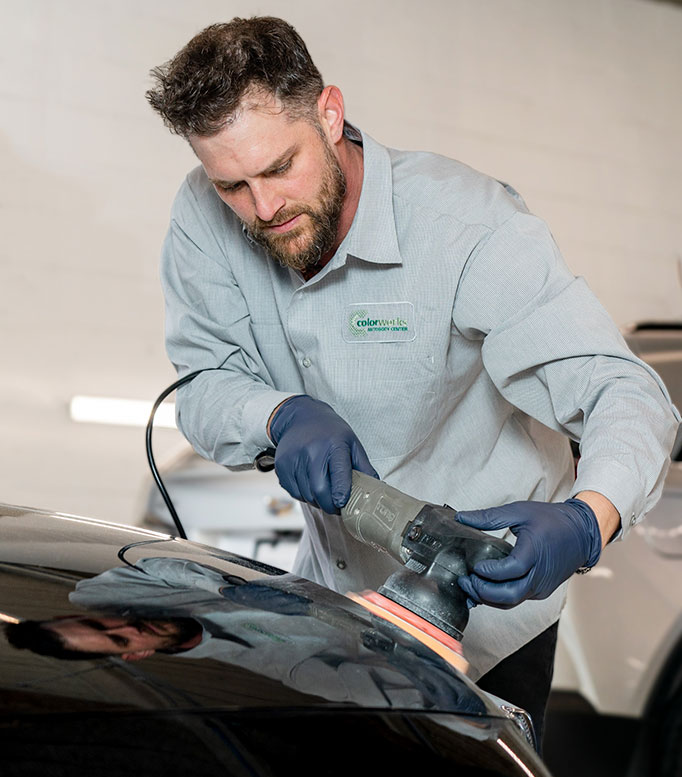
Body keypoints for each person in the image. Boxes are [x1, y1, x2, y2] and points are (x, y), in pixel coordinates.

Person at [145, 16, 679, 742]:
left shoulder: (468, 228)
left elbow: (625, 392)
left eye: (279, 169)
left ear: (329, 113)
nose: (263, 208)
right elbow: (205, 382)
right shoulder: (204, 217)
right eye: (233, 184)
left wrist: (587, 520)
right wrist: (276, 415)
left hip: (492, 623)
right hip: (338, 601)